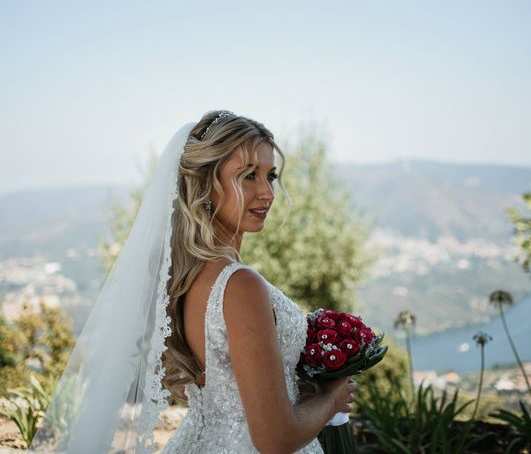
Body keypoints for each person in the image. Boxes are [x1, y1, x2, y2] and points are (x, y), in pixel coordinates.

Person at [29, 110, 357, 453]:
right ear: (204, 185)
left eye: (270, 175)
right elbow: (274, 439)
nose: (267, 193)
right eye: (248, 176)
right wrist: (330, 400)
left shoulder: (189, 275)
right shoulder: (241, 286)